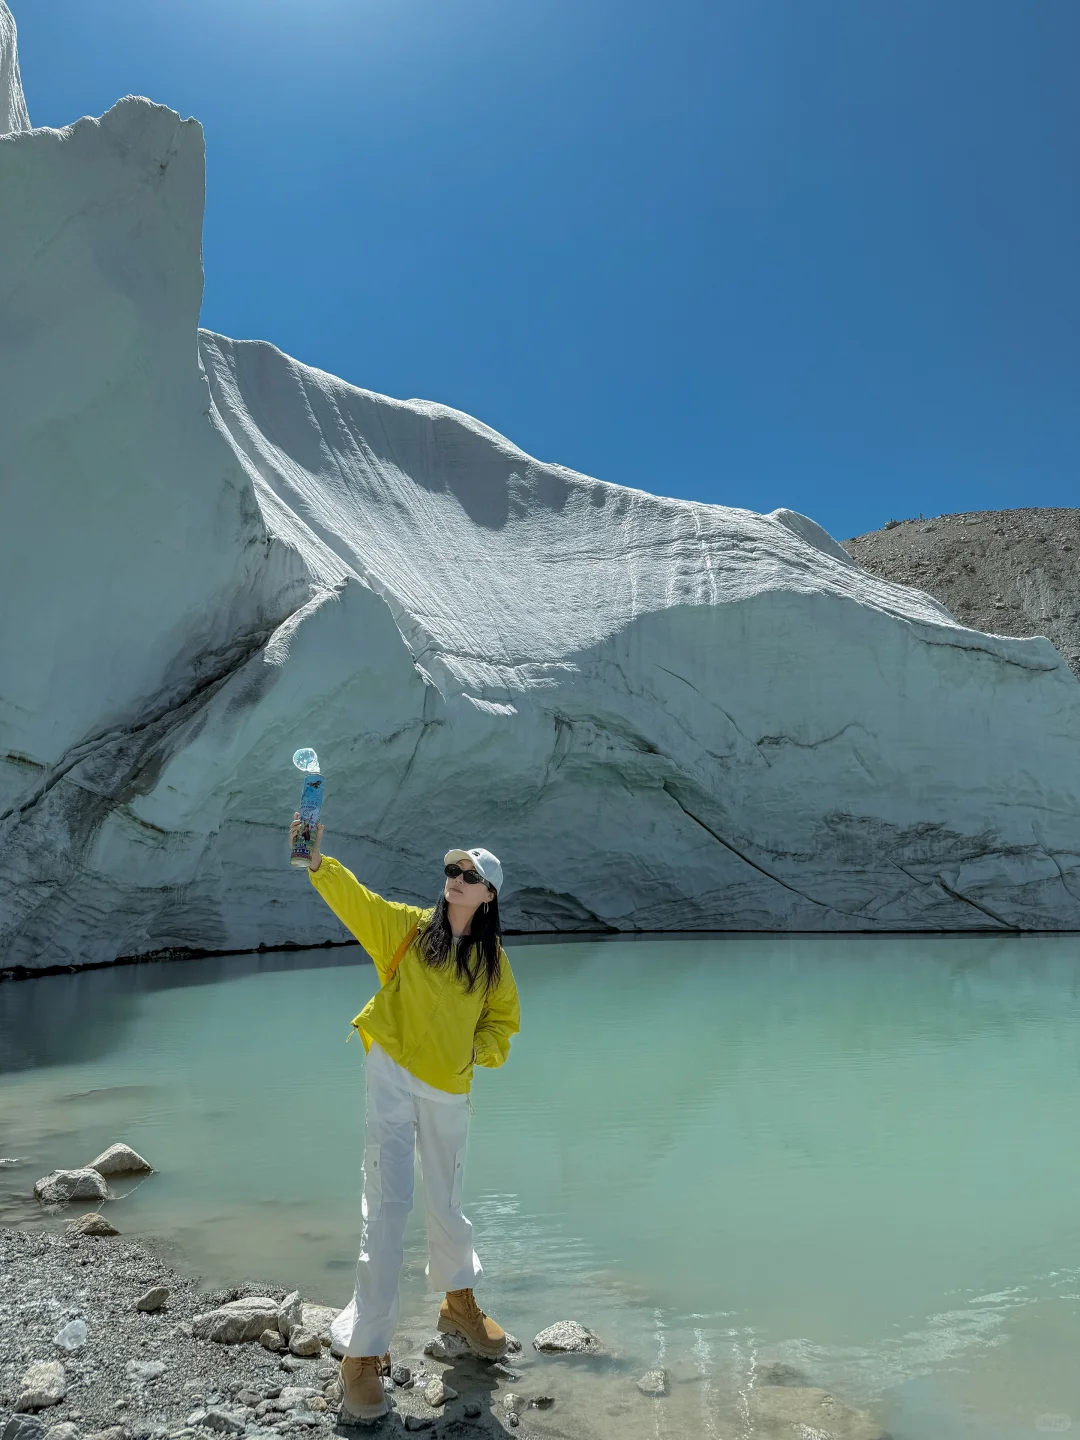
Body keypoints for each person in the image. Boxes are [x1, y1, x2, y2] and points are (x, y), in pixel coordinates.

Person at [290, 813, 521, 1424]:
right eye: (450, 871)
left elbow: (503, 1023)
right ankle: (363, 1356)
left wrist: (479, 1051)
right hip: (390, 1073)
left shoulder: (493, 961)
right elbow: (358, 904)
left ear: (489, 893)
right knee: (388, 1205)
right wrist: (318, 861)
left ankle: (458, 1303)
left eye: (467, 874)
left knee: (446, 1201)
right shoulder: (411, 930)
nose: (454, 879)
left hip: (448, 1089)